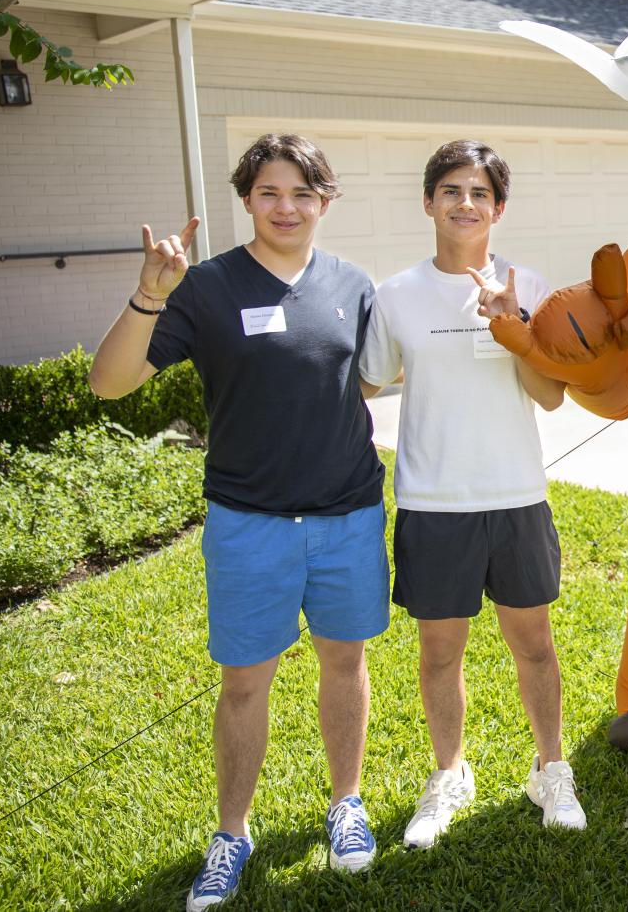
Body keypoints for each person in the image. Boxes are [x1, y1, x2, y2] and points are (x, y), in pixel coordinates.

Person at [87, 134, 388, 910]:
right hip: (249, 522)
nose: (286, 207)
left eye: (302, 193)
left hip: (347, 515)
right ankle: (233, 831)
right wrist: (150, 293)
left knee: (344, 662)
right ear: (246, 199)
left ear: (327, 200)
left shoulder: (354, 284)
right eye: (268, 193)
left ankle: (345, 802)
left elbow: (373, 378)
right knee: (245, 683)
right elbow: (109, 384)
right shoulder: (207, 285)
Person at [357, 139, 584, 845]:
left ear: (499, 208)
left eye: (480, 193)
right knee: (439, 654)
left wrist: (512, 327)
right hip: (433, 503)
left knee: (535, 646)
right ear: (428, 201)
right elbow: (365, 382)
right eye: (451, 190)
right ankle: (450, 774)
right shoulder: (394, 295)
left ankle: (550, 768)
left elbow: (550, 395)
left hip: (516, 497)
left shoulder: (530, 284)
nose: (465, 203)